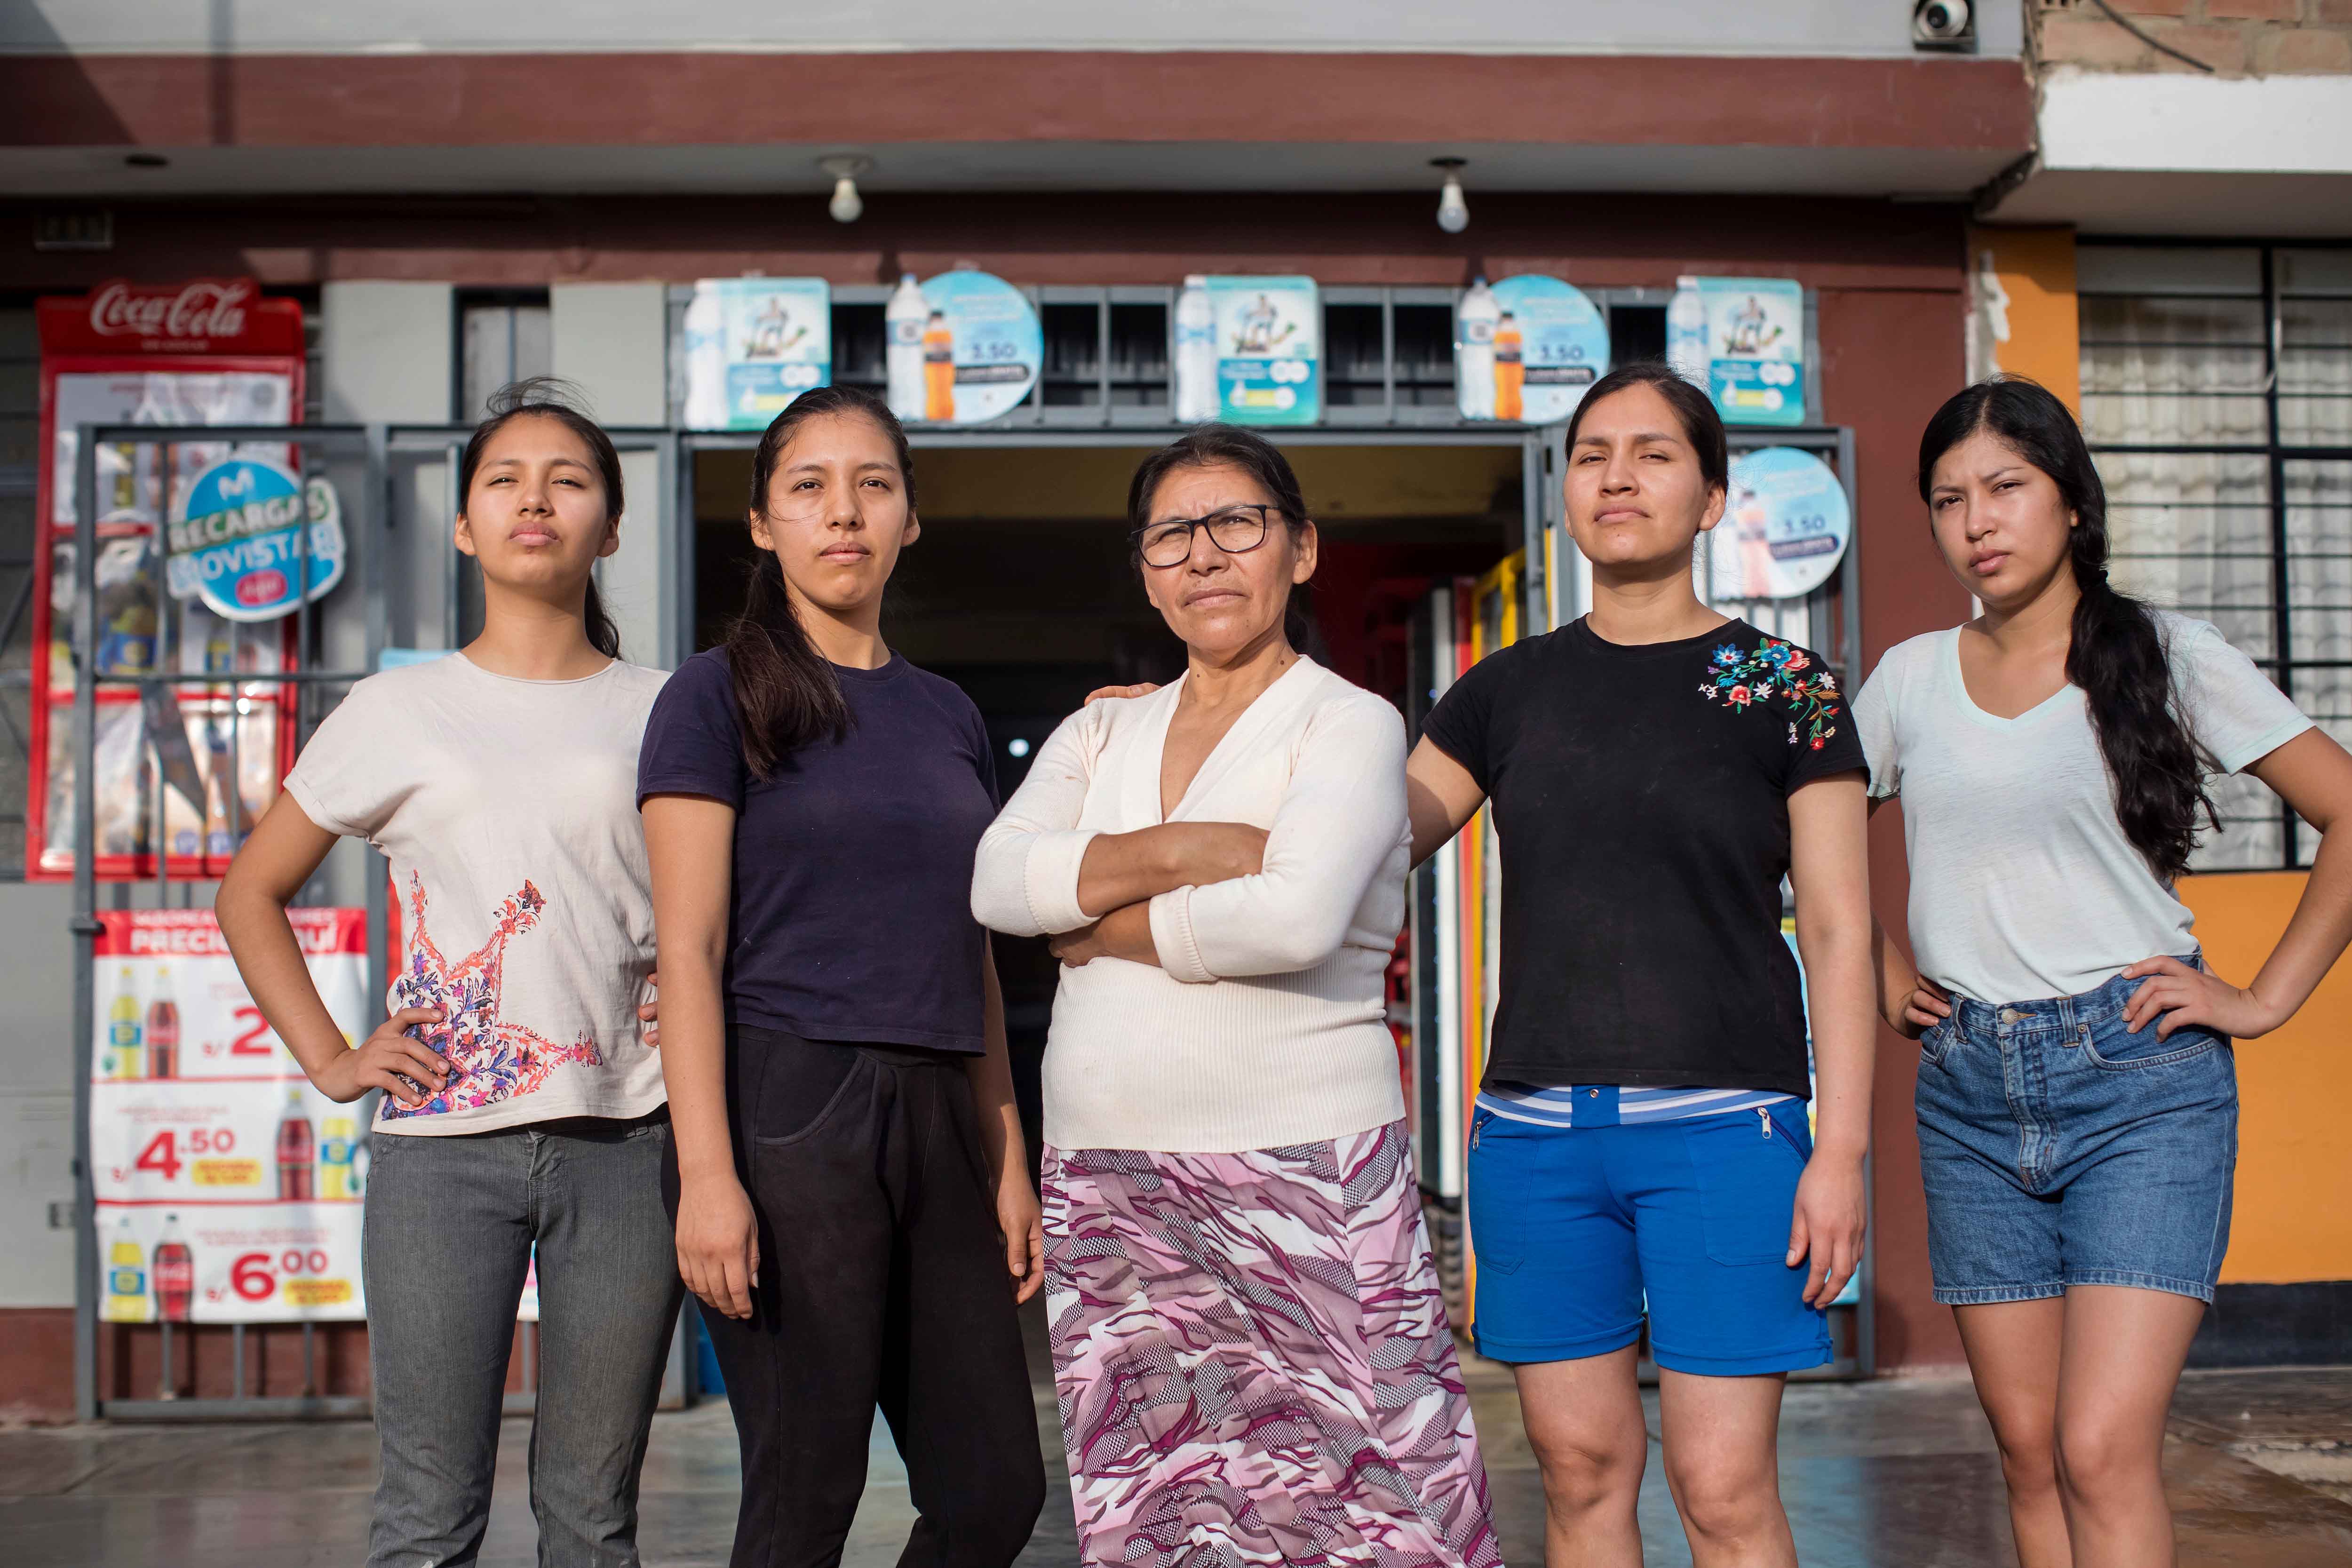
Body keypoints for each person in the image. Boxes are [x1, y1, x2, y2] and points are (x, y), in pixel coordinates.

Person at [972, 425, 1500, 1568]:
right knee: (1163, 1510)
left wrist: (1098, 918)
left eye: (1236, 524)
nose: (1204, 554)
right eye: (1172, 533)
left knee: (1369, 1510)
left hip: (1303, 1164)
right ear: (1144, 567)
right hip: (1108, 1172)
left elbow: (1295, 915)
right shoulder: (1100, 724)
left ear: (1299, 549)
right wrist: (1181, 848)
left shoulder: (1346, 720)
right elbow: (994, 879)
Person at [1860, 376, 2352, 1568]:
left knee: (2097, 1444)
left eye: (2004, 487)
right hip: (1970, 1088)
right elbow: (1781, 844)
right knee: (2027, 1450)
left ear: (2070, 500)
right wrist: (1881, 964)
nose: (1976, 519)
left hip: (2140, 1080)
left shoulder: (2170, 652)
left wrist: (2263, 996)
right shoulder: (1907, 679)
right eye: (1947, 499)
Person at [1410, 362, 1876, 1567]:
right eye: (1593, 452)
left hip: (1731, 1134)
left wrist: (1839, 1150)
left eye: (1655, 453)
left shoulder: (1786, 688)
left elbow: (1835, 928)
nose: (1617, 475)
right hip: (1535, 1137)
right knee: (1578, 1475)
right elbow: (1365, 840)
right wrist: (1197, 720)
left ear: (1715, 497)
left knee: (1722, 1489)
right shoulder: (1502, 690)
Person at [216, 379, 678, 1568]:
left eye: (569, 480)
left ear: (611, 527)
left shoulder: (673, 709)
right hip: (441, 1151)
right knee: (426, 1515)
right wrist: (329, 1056)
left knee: (593, 1516)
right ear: (466, 525)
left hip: (630, 1143)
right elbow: (248, 889)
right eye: (505, 480)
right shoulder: (395, 708)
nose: (537, 499)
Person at [637, 385, 1045, 1568]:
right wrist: (708, 1173)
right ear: (763, 523)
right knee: (805, 1497)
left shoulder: (948, 713)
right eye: (808, 487)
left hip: (934, 1112)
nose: (844, 512)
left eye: (873, 483)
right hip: (784, 1104)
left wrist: (1006, 1155)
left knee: (993, 1491)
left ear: (911, 516)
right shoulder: (713, 695)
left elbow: (967, 945)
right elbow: (688, 949)